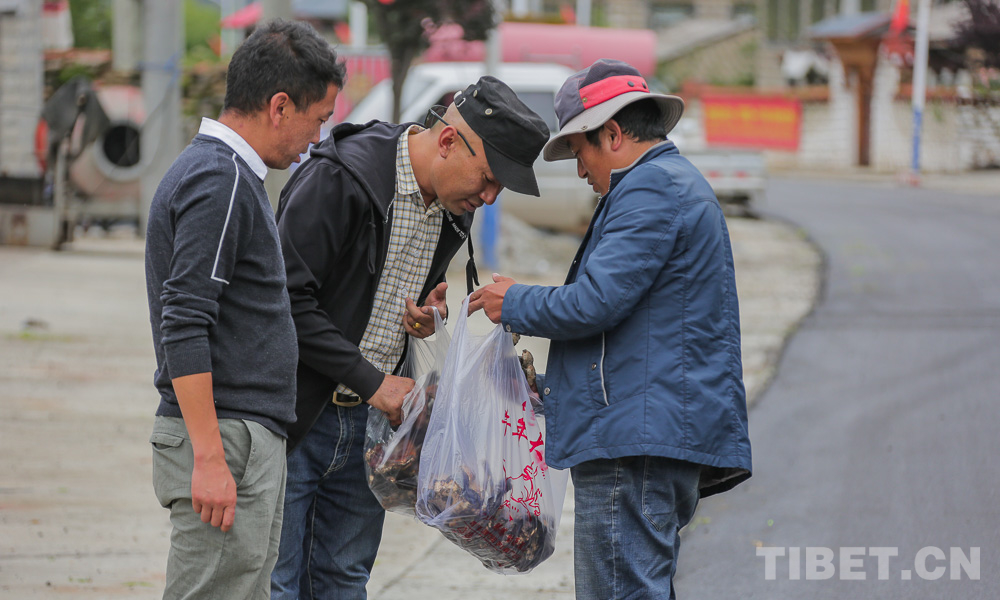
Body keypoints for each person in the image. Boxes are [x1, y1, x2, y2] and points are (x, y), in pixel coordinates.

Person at [468, 58, 753, 599]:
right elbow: (631, 329)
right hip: (642, 432)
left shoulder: (651, 191)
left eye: (580, 152)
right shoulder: (663, 185)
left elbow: (595, 304)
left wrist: (515, 301)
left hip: (634, 442)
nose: (579, 171)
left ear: (614, 134)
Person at [270, 77, 550, 599]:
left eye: (499, 190)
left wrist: (425, 319)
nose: (489, 198)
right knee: (278, 583)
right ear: (448, 142)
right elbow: (285, 301)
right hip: (297, 416)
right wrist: (374, 381)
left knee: (344, 581)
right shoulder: (342, 179)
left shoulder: (450, 210)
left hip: (374, 426)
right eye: (489, 179)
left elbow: (377, 296)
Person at [144, 20, 345, 600]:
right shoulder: (220, 180)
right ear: (279, 105)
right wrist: (209, 456)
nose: (316, 139)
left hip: (236, 437)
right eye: (319, 119)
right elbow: (184, 319)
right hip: (225, 440)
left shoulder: (226, 175)